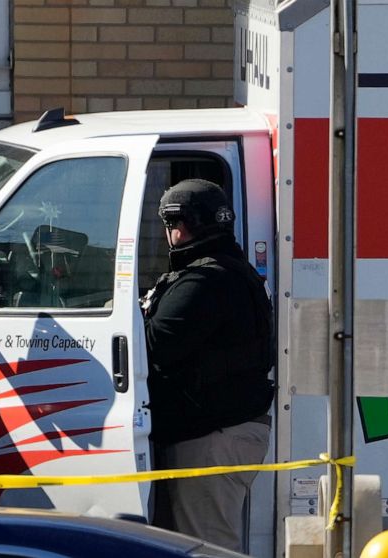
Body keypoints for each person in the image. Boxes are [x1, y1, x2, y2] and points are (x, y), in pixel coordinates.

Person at [142, 178, 275, 552]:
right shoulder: (227, 272)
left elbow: (154, 346)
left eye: (170, 226)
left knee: (208, 548)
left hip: (212, 437)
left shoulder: (205, 281)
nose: (170, 234)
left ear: (180, 227)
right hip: (213, 432)